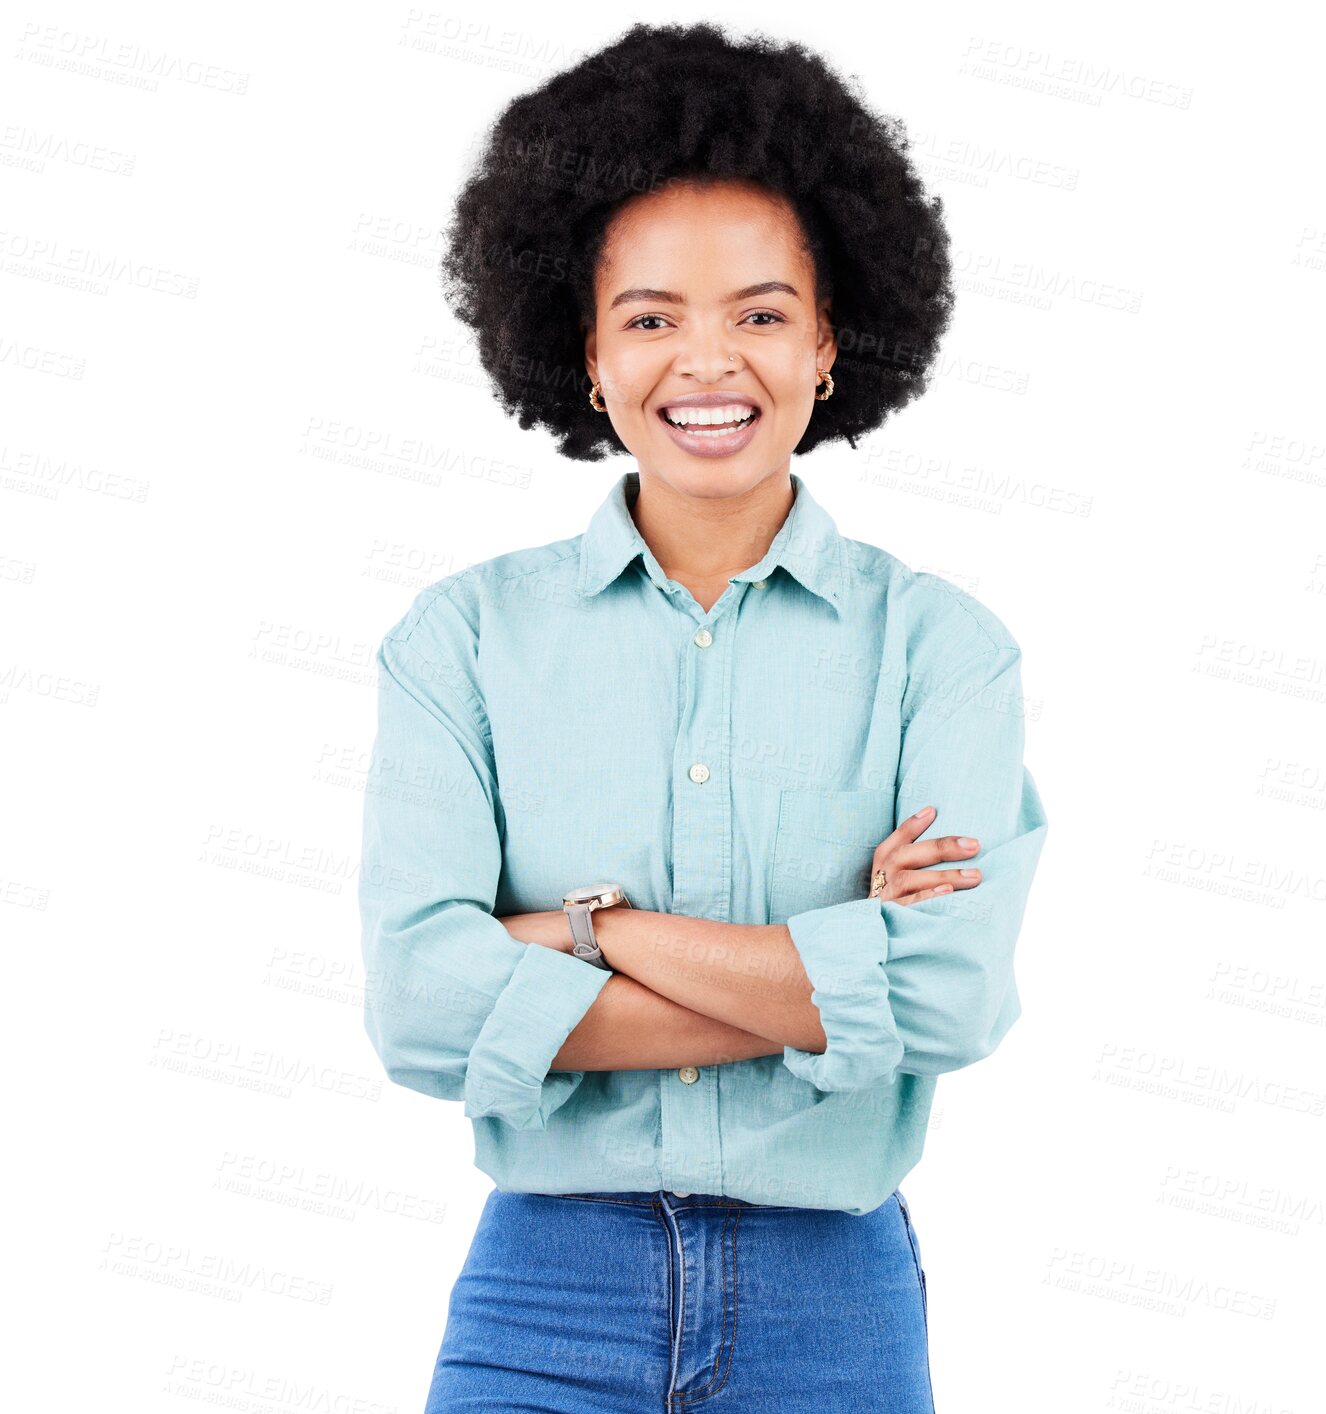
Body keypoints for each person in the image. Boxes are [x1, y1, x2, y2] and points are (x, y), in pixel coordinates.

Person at [359, 21, 1048, 1413]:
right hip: (544, 1294)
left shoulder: (940, 650)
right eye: (650, 316)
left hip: (830, 1306)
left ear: (830, 340)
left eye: (759, 310)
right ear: (586, 351)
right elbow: (423, 1007)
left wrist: (580, 933)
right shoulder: (462, 640)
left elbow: (947, 992)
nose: (706, 362)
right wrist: (825, 973)